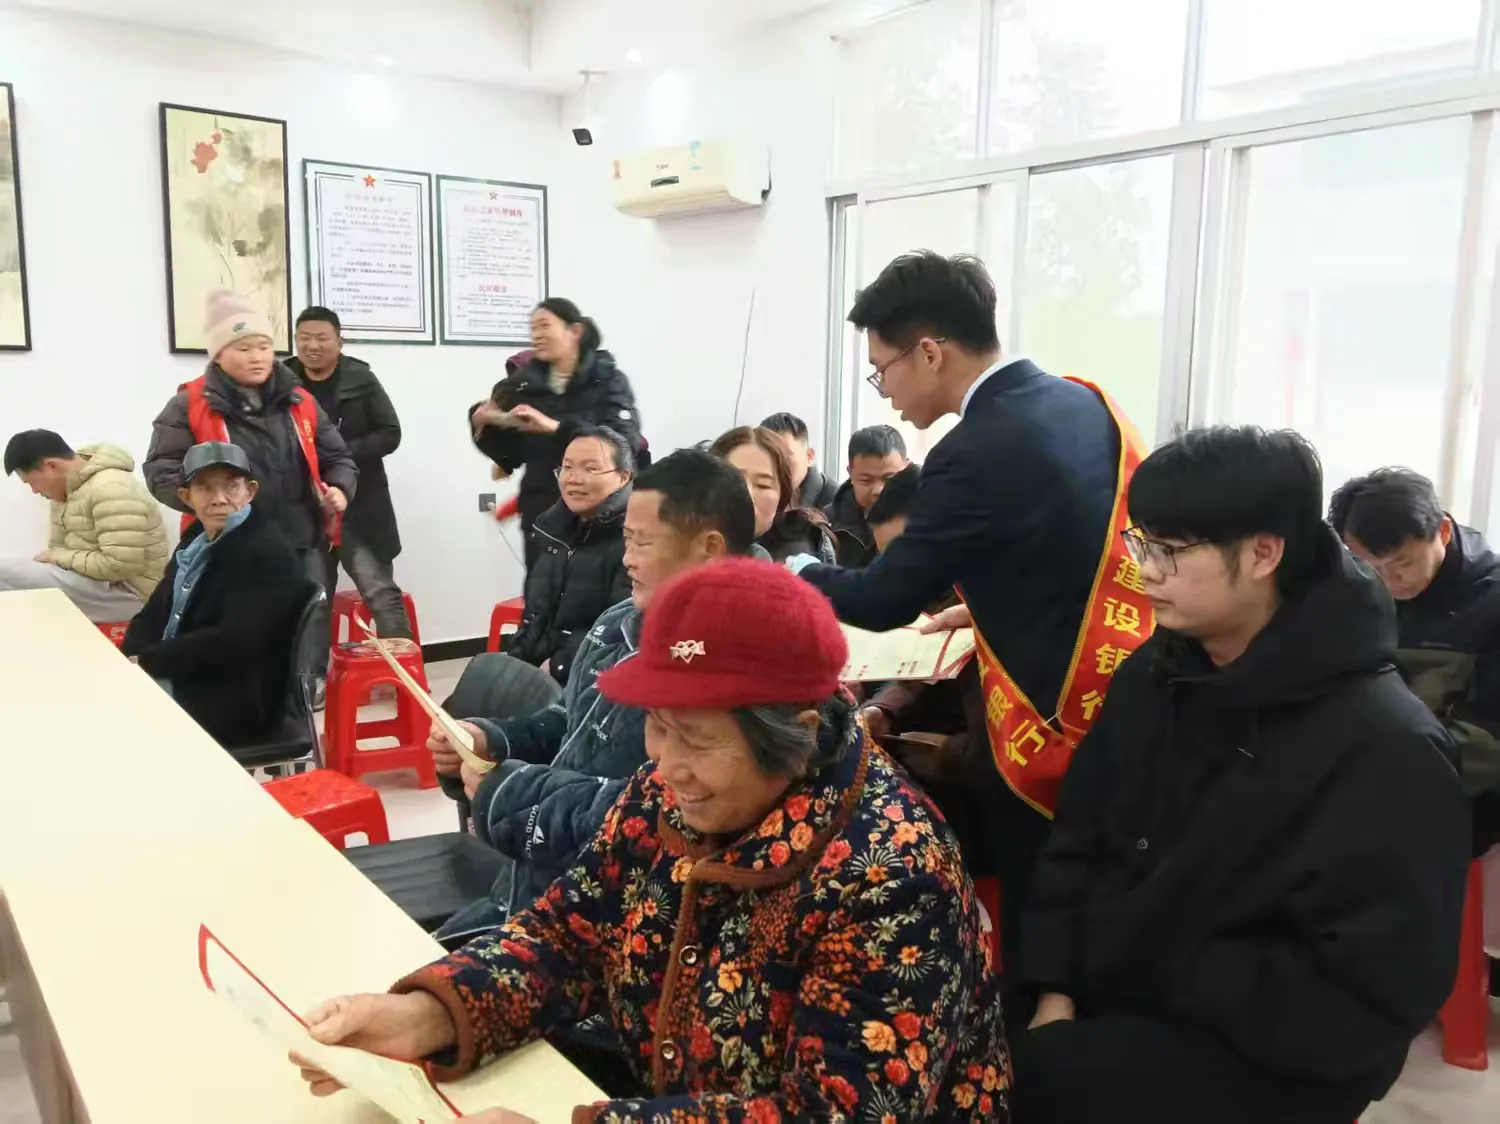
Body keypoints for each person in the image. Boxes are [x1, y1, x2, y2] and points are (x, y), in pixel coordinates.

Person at [294, 560, 1009, 1123]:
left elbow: (833, 1113)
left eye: (695, 737)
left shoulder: (893, 874)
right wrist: (428, 1015)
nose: (665, 763)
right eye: (656, 725)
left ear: (796, 735)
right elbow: (567, 935)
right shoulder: (664, 797)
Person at [1012, 427, 1470, 1124]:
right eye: (1140, 544)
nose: (1145, 572)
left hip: (1277, 1047)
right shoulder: (1154, 674)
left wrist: (1145, 965)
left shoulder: (1387, 747)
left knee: (1030, 1084)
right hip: (1126, 976)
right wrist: (1056, 988)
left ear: (1263, 553)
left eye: (1169, 550)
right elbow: (1082, 835)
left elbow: (1369, 994)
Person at [788, 251, 1147, 981]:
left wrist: (797, 572)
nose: (885, 394)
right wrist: (980, 607)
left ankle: (1036, 1023)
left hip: (1045, 714)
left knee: (1040, 900)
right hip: (1123, 687)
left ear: (930, 351)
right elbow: (1065, 548)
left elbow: (884, 598)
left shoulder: (971, 450)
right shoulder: (1084, 402)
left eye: (882, 370)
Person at [424, 450, 759, 936]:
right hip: (529, 890)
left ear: (709, 548)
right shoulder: (618, 623)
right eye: (626, 539)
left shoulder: (731, 662)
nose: (628, 558)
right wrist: (491, 741)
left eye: (643, 542)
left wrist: (512, 795)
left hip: (606, 918)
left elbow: (656, 815)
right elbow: (570, 720)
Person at [1329, 467, 1500, 859]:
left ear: (1442, 531)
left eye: (1402, 563)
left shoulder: (1491, 603)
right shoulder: (1355, 584)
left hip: (1456, 794)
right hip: (1374, 765)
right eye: (1371, 566)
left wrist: (1377, 765)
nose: (1390, 581)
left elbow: (1489, 743)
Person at [144, 291, 357, 589]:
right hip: (226, 546)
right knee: (237, 619)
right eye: (244, 348)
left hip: (302, 544)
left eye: (264, 347)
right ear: (219, 354)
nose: (257, 357)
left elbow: (338, 457)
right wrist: (208, 503)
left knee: (309, 617)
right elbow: (161, 470)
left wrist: (340, 487)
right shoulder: (188, 404)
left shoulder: (299, 401)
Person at [123, 443, 312, 748]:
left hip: (236, 698)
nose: (219, 499)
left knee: (115, 726)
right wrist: (131, 656)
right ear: (187, 497)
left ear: (250, 492)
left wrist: (148, 661)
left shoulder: (267, 552)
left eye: (231, 486)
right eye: (205, 488)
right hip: (189, 673)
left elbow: (238, 641)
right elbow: (156, 610)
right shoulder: (195, 540)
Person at [470, 298, 641, 571]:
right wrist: (487, 425)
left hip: (601, 513)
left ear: (575, 331)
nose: (537, 335)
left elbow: (623, 441)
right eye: (533, 328)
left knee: (596, 587)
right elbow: (511, 455)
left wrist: (554, 427)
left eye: (545, 325)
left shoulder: (607, 379)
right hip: (542, 512)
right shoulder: (523, 385)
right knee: (542, 590)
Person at [286, 306, 412, 640]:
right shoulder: (282, 381)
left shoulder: (360, 378)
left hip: (361, 505)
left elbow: (390, 433)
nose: (312, 346)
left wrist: (338, 454)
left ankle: (403, 670)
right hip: (305, 509)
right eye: (304, 338)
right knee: (311, 601)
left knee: (381, 594)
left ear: (339, 342)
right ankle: (314, 672)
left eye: (321, 338)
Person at [504, 425, 634, 687]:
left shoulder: (633, 539)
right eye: (567, 467)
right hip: (537, 667)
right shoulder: (552, 530)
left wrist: (558, 665)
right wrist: (517, 658)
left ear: (623, 477)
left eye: (590, 468)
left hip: (587, 682)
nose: (573, 478)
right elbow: (536, 613)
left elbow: (622, 629)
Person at [1, 429, 169, 621]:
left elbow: (119, 565)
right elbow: (58, 552)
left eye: (32, 482)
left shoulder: (111, 488)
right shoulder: (65, 492)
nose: (34, 491)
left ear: (51, 466)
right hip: (93, 583)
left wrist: (57, 557)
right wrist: (56, 557)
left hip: (129, 594)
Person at [709, 425, 837, 564]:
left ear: (782, 498)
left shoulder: (797, 558)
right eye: (735, 480)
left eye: (763, 485)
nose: (748, 495)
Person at [826, 424, 910, 568]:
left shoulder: (928, 519)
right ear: (850, 473)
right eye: (866, 480)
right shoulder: (828, 523)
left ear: (907, 468)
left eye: (889, 479)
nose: (878, 490)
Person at [760, 411, 837, 508]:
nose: (776, 465)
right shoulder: (754, 494)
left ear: (809, 456)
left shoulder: (837, 503)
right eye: (768, 456)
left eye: (785, 457)